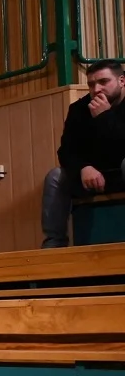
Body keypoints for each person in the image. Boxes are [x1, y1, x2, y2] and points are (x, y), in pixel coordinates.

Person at [42, 59, 125, 248]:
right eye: (91, 84)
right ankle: (53, 246)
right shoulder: (79, 109)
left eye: (103, 82)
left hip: (121, 172)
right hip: (91, 177)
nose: (96, 89)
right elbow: (66, 151)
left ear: (122, 81)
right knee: (55, 176)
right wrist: (83, 167)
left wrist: (105, 116)